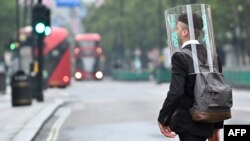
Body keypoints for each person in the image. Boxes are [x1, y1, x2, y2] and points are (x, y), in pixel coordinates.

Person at [157, 13, 223, 141]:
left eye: (177, 29)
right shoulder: (213, 56)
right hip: (208, 123)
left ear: (184, 32)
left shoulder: (179, 57)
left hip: (188, 124)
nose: (176, 32)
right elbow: (218, 93)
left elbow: (176, 92)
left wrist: (163, 118)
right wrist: (216, 127)